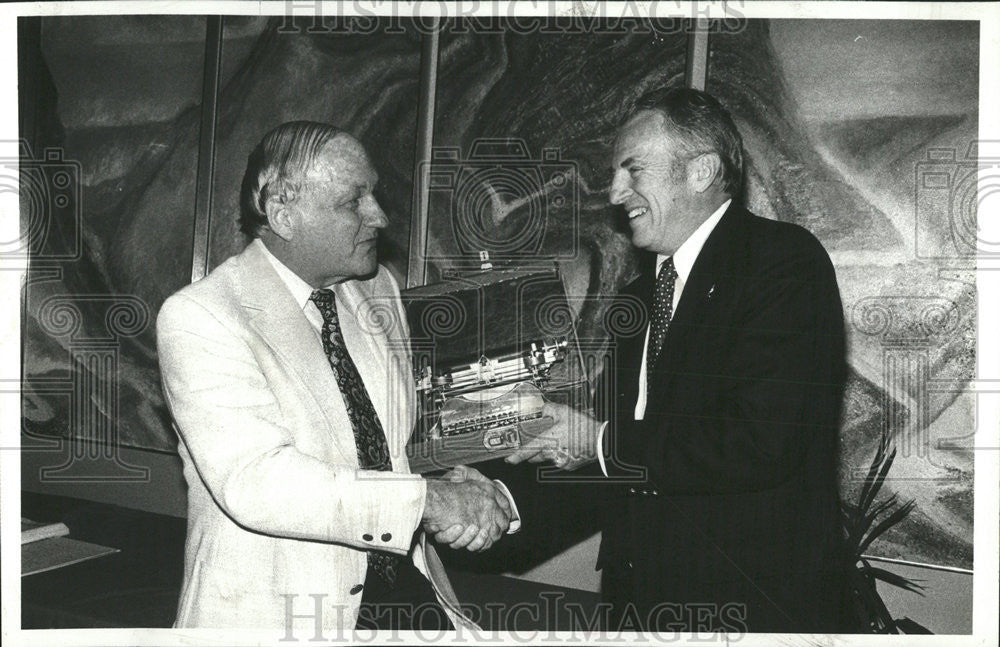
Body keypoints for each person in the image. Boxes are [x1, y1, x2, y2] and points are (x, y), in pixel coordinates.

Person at [507, 88, 848, 633]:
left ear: (701, 171)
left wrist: (594, 440)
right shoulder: (638, 299)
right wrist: (499, 495)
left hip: (748, 607)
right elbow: (623, 458)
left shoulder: (782, 264)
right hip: (636, 603)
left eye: (632, 169)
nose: (616, 192)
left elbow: (761, 440)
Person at [156, 121, 517, 633]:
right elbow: (259, 483)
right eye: (355, 200)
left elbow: (386, 448)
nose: (381, 215)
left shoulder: (377, 290)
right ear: (283, 212)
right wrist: (429, 502)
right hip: (276, 618)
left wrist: (462, 487)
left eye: (374, 193)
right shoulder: (203, 315)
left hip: (401, 601)